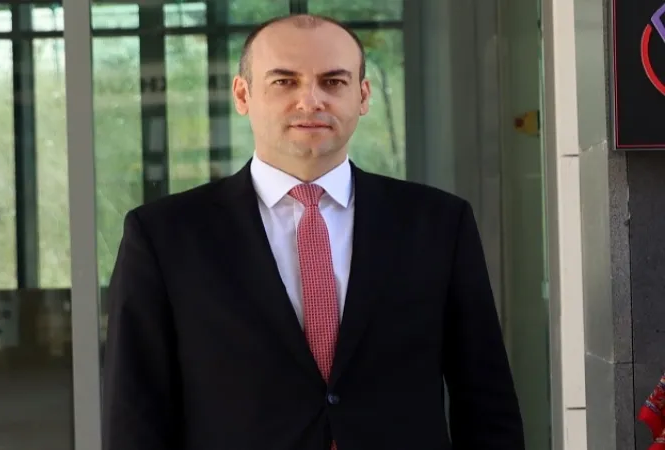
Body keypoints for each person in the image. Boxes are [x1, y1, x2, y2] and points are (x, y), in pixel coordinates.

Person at [102, 13, 525, 450]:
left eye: (333, 82)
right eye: (284, 82)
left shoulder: (438, 223)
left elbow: (486, 400)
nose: (310, 100)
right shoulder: (164, 236)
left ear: (363, 96)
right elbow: (135, 413)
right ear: (243, 94)